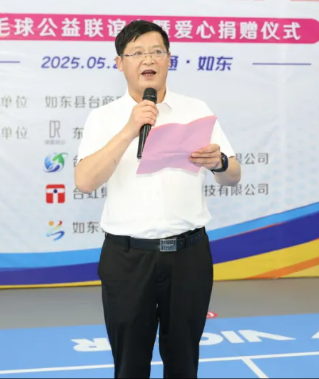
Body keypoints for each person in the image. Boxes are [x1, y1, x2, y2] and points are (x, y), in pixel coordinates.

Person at [74, 20, 242, 378]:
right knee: (130, 365)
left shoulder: (196, 109)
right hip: (127, 258)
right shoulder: (104, 117)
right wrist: (130, 128)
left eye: (156, 51)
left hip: (188, 256)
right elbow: (85, 181)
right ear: (120, 63)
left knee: (183, 363)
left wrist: (219, 162)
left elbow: (233, 175)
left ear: (169, 59)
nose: (148, 59)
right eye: (136, 53)